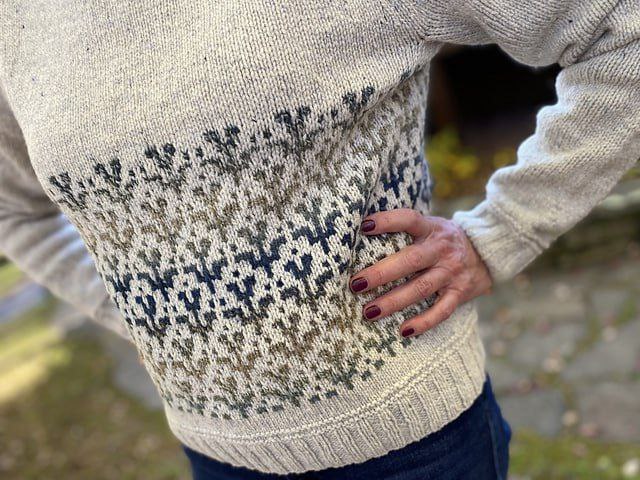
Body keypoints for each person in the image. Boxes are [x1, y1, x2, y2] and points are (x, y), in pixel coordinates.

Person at [0, 1, 638, 479]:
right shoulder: (19, 22)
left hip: (413, 449)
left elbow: (620, 34)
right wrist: (143, 315)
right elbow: (14, 210)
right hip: (213, 455)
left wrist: (503, 231)